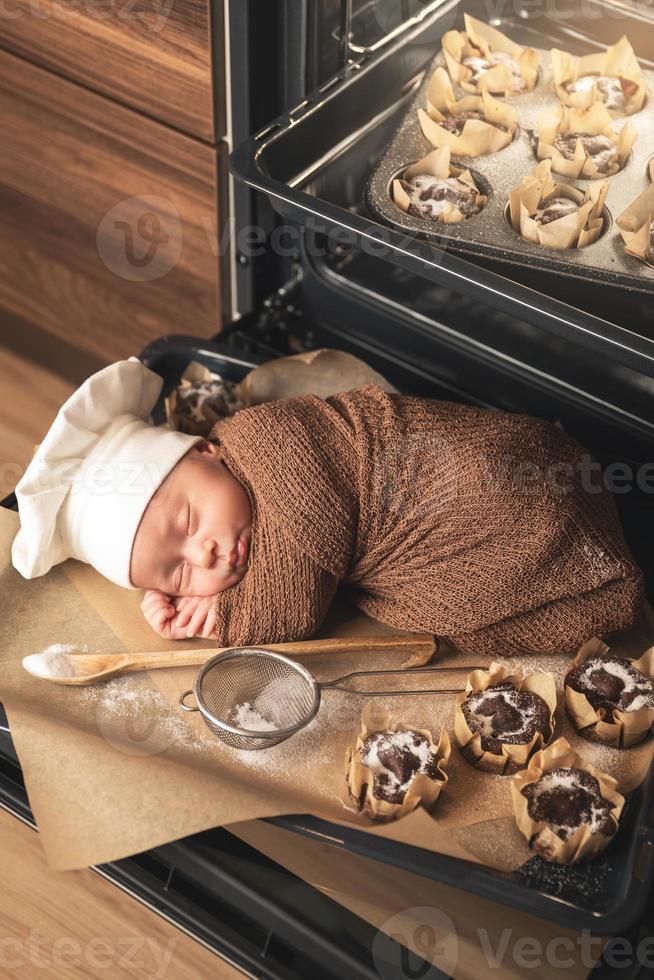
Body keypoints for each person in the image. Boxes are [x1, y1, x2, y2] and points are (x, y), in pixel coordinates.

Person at [12, 357, 644, 655]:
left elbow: (288, 611)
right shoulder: (248, 493)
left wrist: (220, 617)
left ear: (207, 450)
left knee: (492, 532)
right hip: (545, 467)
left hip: (504, 492)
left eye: (186, 522)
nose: (203, 551)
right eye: (179, 572)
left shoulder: (275, 443)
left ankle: (581, 565)